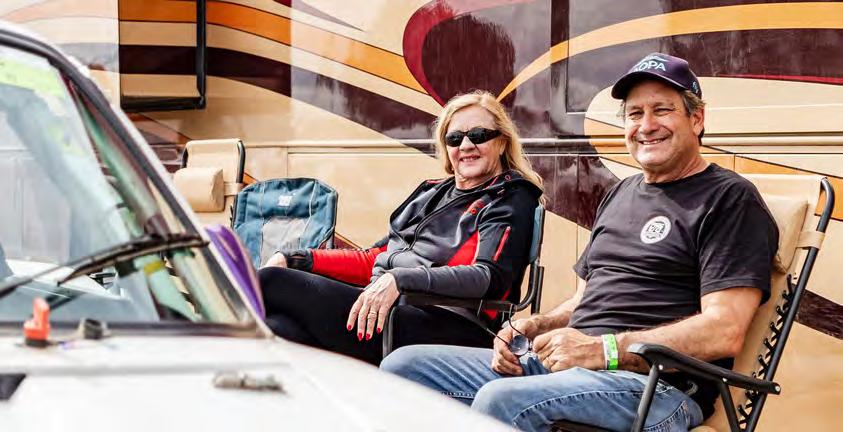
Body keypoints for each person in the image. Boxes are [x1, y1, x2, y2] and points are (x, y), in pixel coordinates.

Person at [381, 53, 779, 432]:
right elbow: (582, 300)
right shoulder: (621, 193)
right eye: (634, 114)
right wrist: (533, 325)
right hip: (571, 369)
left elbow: (724, 329)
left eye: (662, 110)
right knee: (403, 368)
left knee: (502, 400)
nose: (646, 125)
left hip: (657, 387)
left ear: (696, 118)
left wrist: (604, 350)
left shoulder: (729, 199)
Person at [258, 90, 544, 365]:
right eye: (455, 138)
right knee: (278, 329)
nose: (466, 145)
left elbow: (488, 277)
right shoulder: (431, 193)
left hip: (448, 325)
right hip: (391, 313)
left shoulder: (510, 197)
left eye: (479, 135)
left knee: (271, 281)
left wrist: (400, 279)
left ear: (502, 141)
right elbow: (376, 257)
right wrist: (297, 259)